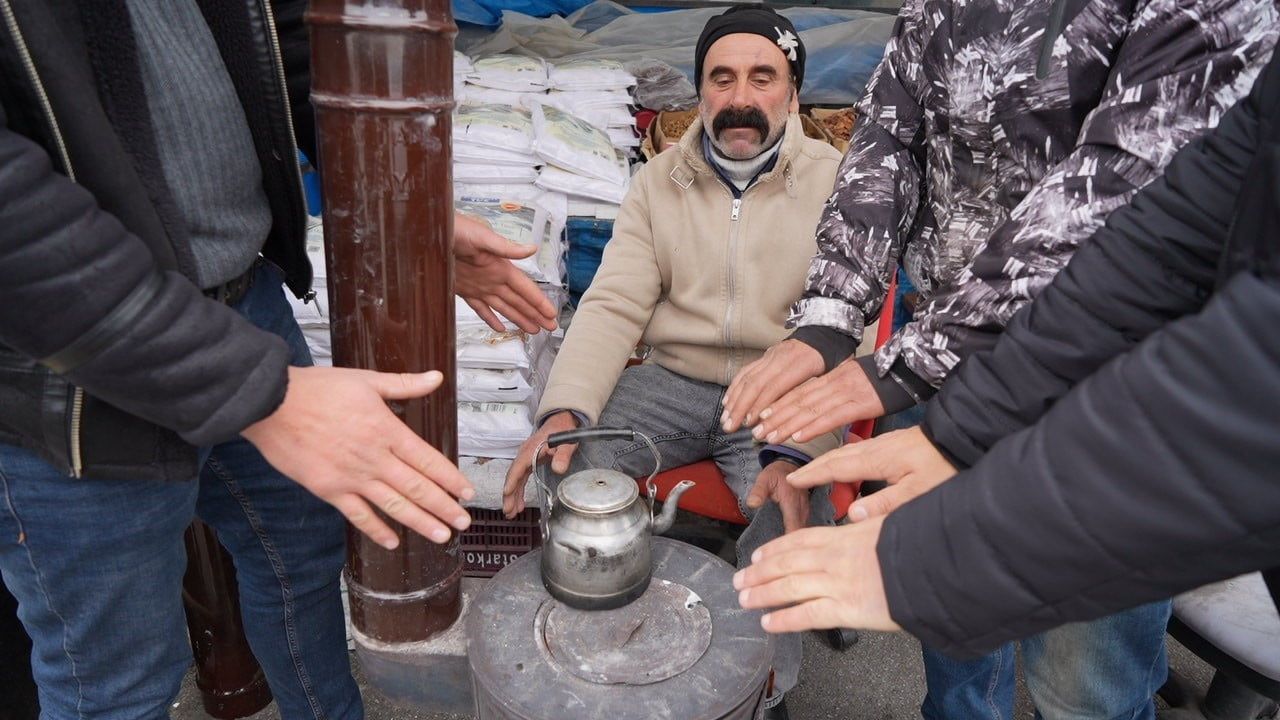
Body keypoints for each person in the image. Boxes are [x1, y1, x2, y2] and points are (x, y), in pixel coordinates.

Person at [719, 0, 1278, 717]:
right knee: (947, 627)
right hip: (948, 354)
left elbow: (1129, 204)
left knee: (1086, 679)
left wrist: (914, 368)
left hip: (1111, 383)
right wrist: (834, 321)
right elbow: (889, 137)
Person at [0, 2, 554, 718]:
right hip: (72, 370)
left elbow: (291, 54)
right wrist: (253, 391)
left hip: (245, 303)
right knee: (116, 682)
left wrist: (416, 215)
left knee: (304, 560)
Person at [501, 7, 843, 717]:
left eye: (762, 77)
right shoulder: (659, 180)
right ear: (700, 91)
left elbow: (849, 326)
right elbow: (614, 303)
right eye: (722, 78)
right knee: (568, 464)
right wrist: (565, 410)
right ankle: (605, 631)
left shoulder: (837, 181)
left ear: (793, 93)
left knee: (789, 505)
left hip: (783, 391)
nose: (741, 97)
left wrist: (797, 443)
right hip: (673, 382)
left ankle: (763, 686)